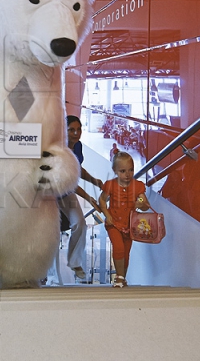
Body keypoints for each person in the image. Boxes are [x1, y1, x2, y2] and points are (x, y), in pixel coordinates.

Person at [58, 115, 103, 281]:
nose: (76, 133)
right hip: (50, 193)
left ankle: (75, 262)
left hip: (66, 192)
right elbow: (71, 181)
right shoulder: (60, 150)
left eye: (79, 129)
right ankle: (42, 271)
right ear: (64, 130)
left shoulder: (78, 147)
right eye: (71, 130)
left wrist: (95, 181)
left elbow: (78, 170)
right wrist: (90, 198)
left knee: (80, 223)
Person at [98, 151, 150, 287]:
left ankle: (123, 277)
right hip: (113, 223)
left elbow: (145, 205)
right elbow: (102, 200)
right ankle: (119, 278)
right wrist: (107, 215)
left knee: (126, 253)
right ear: (114, 171)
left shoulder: (138, 186)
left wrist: (141, 204)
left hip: (130, 225)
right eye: (122, 171)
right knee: (119, 248)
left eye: (131, 170)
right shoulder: (110, 185)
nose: (127, 174)